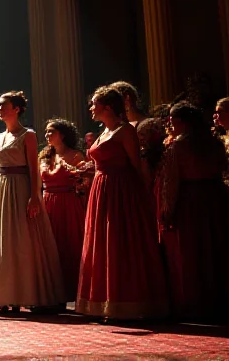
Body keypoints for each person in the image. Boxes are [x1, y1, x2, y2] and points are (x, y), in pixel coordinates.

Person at [76, 86, 168, 320]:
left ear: (107, 107)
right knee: (102, 243)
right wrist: (88, 172)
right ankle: (104, 302)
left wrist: (144, 196)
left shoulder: (124, 130)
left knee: (118, 242)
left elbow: (135, 164)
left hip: (121, 191)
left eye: (94, 104)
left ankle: (127, 302)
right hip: (101, 189)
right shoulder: (103, 132)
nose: (91, 108)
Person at [0, 92, 65, 314]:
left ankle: (24, 296)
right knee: (3, 244)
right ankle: (4, 297)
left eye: (4, 105)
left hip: (19, 189)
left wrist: (35, 196)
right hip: (1, 191)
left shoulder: (28, 135)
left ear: (16, 109)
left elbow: (33, 168)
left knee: (22, 243)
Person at [158, 102, 229, 319]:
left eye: (172, 120)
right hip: (214, 197)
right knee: (215, 248)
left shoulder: (177, 147)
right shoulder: (214, 142)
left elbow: (171, 182)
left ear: (182, 122)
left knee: (191, 252)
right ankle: (219, 300)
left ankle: (194, 304)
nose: (170, 124)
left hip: (189, 200)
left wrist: (167, 211)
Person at [39, 119, 86, 302]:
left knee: (70, 245)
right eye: (46, 132)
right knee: (50, 248)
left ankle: (75, 291)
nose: (47, 135)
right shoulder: (43, 156)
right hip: (48, 202)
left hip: (68, 203)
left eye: (51, 132)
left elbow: (84, 181)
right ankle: (52, 293)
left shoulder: (75, 156)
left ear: (63, 135)